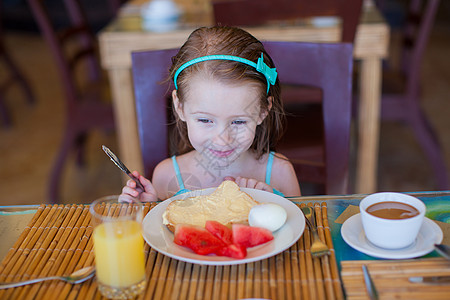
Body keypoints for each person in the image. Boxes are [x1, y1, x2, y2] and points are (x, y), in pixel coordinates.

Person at [119, 26, 301, 202]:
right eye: (205, 120)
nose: (222, 140)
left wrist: (274, 207)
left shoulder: (281, 173)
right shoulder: (166, 175)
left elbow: (304, 230)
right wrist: (146, 209)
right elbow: (161, 228)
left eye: (238, 122)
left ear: (263, 110)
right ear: (179, 106)